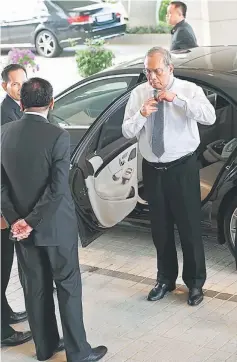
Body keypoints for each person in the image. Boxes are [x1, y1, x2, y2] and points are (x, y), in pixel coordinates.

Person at [1, 77, 107, 362]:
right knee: (68, 286)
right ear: (51, 103)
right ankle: (78, 352)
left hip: (22, 231)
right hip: (56, 228)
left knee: (34, 287)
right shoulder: (58, 136)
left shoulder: (4, 133)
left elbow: (1, 186)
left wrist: (17, 221)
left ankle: (45, 348)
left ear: (21, 103)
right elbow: (58, 188)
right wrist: (33, 221)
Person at [122, 47, 216, 306]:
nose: (152, 77)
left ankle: (195, 283)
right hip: (153, 170)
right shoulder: (139, 94)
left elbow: (210, 116)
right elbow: (127, 131)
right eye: (148, 71)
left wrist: (179, 101)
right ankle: (165, 279)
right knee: (160, 229)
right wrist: (141, 114)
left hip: (182, 168)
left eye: (157, 71)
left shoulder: (189, 90)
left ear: (170, 68)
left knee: (189, 227)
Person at [1, 64, 32, 347]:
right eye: (14, 84)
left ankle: (5, 314)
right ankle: (2, 332)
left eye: (23, 83)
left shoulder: (16, 110)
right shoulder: (6, 116)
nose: (20, 88)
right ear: (4, 86)